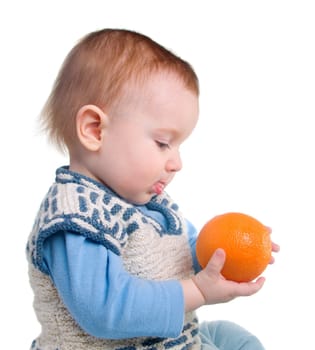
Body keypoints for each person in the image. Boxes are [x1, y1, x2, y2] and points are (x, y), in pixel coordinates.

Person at [26, 28, 279, 350]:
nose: (176, 162)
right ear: (94, 129)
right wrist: (198, 292)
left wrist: (222, 260)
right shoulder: (74, 218)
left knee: (231, 337)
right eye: (163, 143)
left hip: (170, 340)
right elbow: (105, 311)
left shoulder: (147, 200)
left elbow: (182, 255)